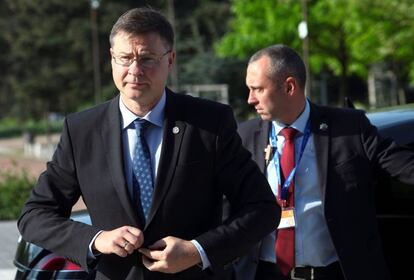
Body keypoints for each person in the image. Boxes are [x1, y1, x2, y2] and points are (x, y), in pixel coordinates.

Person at [17, 7, 279, 280]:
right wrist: (97, 239)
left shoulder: (209, 124)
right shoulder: (82, 130)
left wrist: (197, 251)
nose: (135, 70)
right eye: (125, 58)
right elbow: (34, 215)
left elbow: (262, 208)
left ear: (171, 60)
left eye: (147, 58)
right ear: (111, 59)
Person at [233, 44, 414, 280]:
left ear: (289, 87)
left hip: (335, 273)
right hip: (264, 273)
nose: (250, 99)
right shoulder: (244, 136)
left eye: (257, 89)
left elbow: (403, 164)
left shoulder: (349, 128)